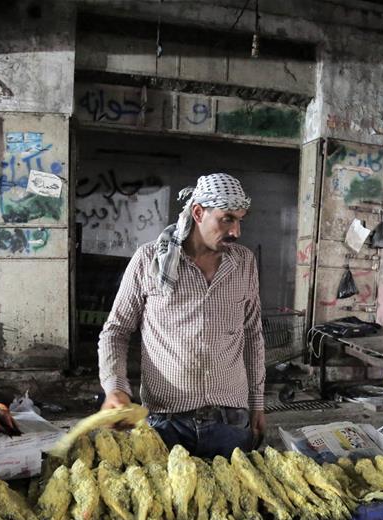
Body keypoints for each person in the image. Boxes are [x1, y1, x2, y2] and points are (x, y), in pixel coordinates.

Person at [98, 173, 266, 459]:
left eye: (240, 220)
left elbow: (252, 334)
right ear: (198, 212)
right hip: (166, 422)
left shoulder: (244, 263)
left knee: (232, 502)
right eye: (227, 219)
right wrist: (115, 388)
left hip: (230, 422)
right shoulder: (149, 260)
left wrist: (258, 404)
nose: (236, 231)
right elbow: (116, 330)